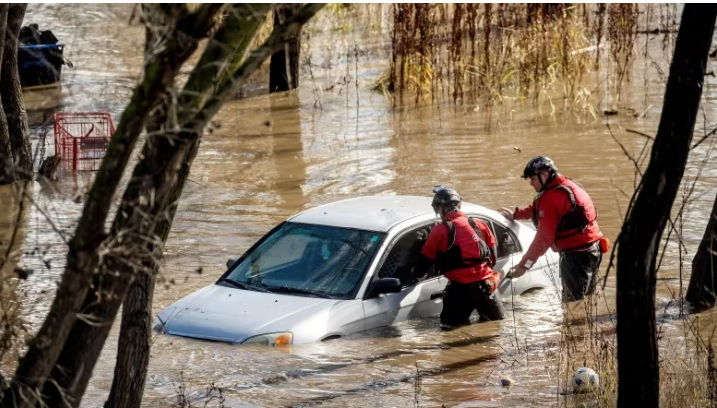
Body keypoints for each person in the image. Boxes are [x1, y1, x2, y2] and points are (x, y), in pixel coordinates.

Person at [498, 156, 606, 302]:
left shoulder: (552, 197)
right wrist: (516, 214)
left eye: (533, 178)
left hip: (575, 257)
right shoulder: (567, 185)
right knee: (587, 301)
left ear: (545, 174)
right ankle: (589, 324)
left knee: (572, 304)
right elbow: (539, 207)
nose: (531, 183)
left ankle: (575, 325)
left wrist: (523, 266)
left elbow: (543, 240)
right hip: (594, 249)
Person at [410, 185, 505, 330]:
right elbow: (492, 256)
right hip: (487, 286)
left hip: (461, 292)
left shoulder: (440, 230)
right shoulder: (479, 224)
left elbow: (425, 261)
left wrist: (413, 276)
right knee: (496, 330)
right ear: (459, 205)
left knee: (449, 331)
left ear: (440, 209)